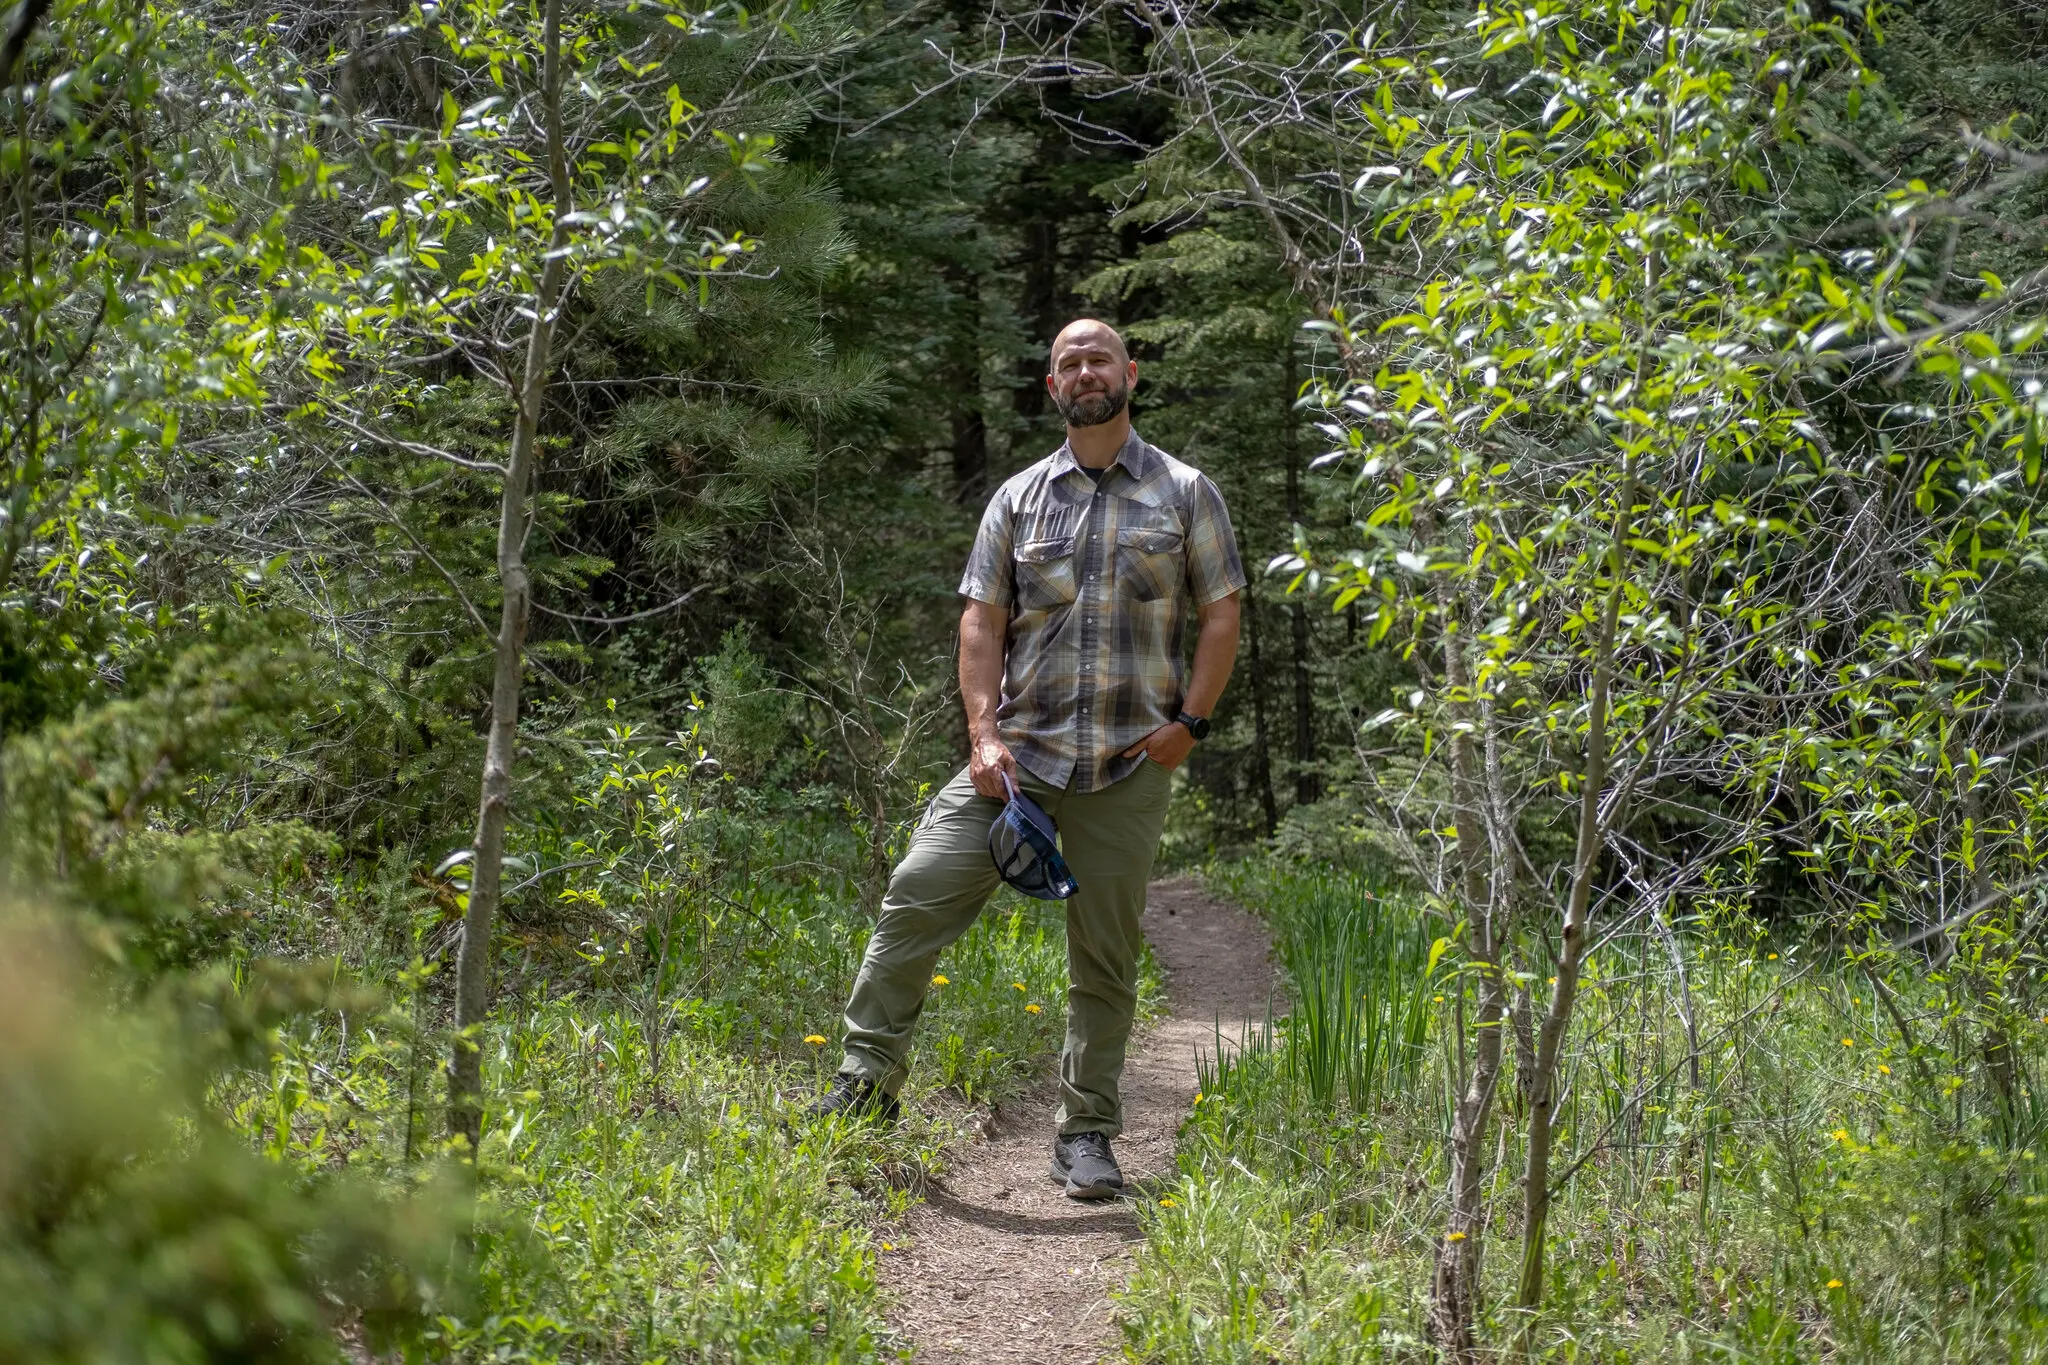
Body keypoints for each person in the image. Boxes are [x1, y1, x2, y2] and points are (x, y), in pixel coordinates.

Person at [808, 318, 1246, 1200]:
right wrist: (981, 733)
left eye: (1099, 358)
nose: (1085, 372)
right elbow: (981, 620)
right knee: (915, 897)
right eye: (1067, 363)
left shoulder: (1186, 492)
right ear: (1052, 387)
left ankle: (1085, 1133)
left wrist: (1187, 726)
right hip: (1016, 764)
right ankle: (862, 1088)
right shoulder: (1017, 498)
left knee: (1106, 960)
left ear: (1130, 372)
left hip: (1127, 768)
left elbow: (1223, 614)